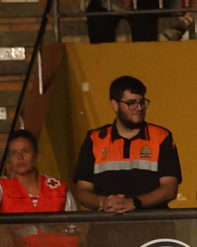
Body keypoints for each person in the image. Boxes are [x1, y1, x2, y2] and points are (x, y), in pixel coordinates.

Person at [72, 77, 181, 216]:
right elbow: (82, 191)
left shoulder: (161, 137)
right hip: (106, 229)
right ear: (115, 105)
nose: (139, 108)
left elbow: (170, 188)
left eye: (142, 102)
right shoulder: (95, 140)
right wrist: (103, 202)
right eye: (131, 103)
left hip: (153, 227)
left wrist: (135, 203)